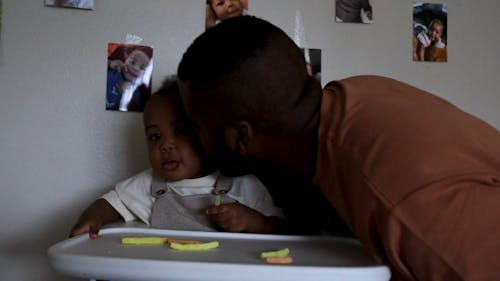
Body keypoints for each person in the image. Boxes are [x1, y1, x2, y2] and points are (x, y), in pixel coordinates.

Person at [177, 16, 500, 281]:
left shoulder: (402, 200)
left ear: (240, 137)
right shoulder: (356, 95)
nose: (191, 138)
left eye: (196, 127)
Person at [71, 76, 285, 238]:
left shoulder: (240, 183)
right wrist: (91, 218)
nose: (165, 145)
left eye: (181, 131)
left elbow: (282, 230)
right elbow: (110, 202)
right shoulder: (150, 185)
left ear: (208, 134)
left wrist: (254, 222)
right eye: (154, 136)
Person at [106, 46, 153, 112]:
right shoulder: (115, 70)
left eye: (142, 68)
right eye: (133, 62)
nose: (135, 68)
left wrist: (128, 96)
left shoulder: (135, 90)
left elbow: (132, 112)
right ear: (126, 59)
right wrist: (109, 63)